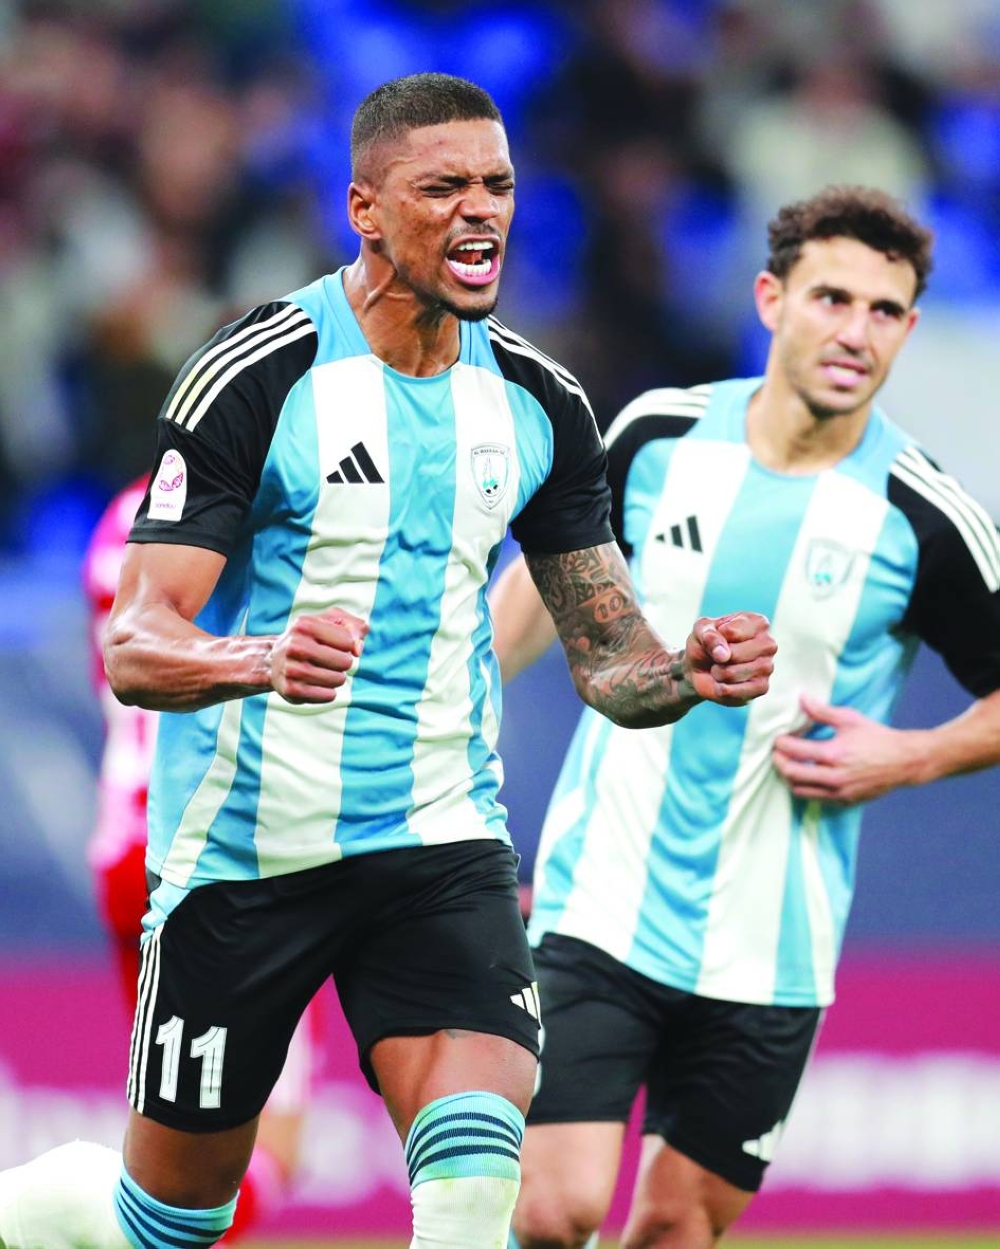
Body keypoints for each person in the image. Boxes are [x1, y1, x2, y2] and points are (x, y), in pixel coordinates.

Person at [0, 72, 775, 1249]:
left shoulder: (538, 402)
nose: (481, 212)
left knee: (470, 1187)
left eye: (500, 186)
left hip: (436, 846)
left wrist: (687, 668)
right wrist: (260, 655)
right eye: (443, 186)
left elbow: (610, 663)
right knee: (168, 1221)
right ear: (365, 208)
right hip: (246, 855)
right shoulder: (256, 373)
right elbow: (136, 644)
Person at [492, 185, 1000, 1249]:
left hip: (773, 944)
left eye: (882, 311)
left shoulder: (920, 513)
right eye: (830, 298)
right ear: (771, 299)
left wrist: (910, 755)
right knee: (553, 1207)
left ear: (908, 329)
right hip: (600, 899)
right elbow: (522, 616)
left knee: (678, 1228)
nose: (853, 331)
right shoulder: (656, 438)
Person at [82, 477, 318, 1240]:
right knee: (255, 1144)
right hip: (223, 848)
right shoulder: (260, 506)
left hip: (126, 842)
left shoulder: (123, 514)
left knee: (171, 1127)